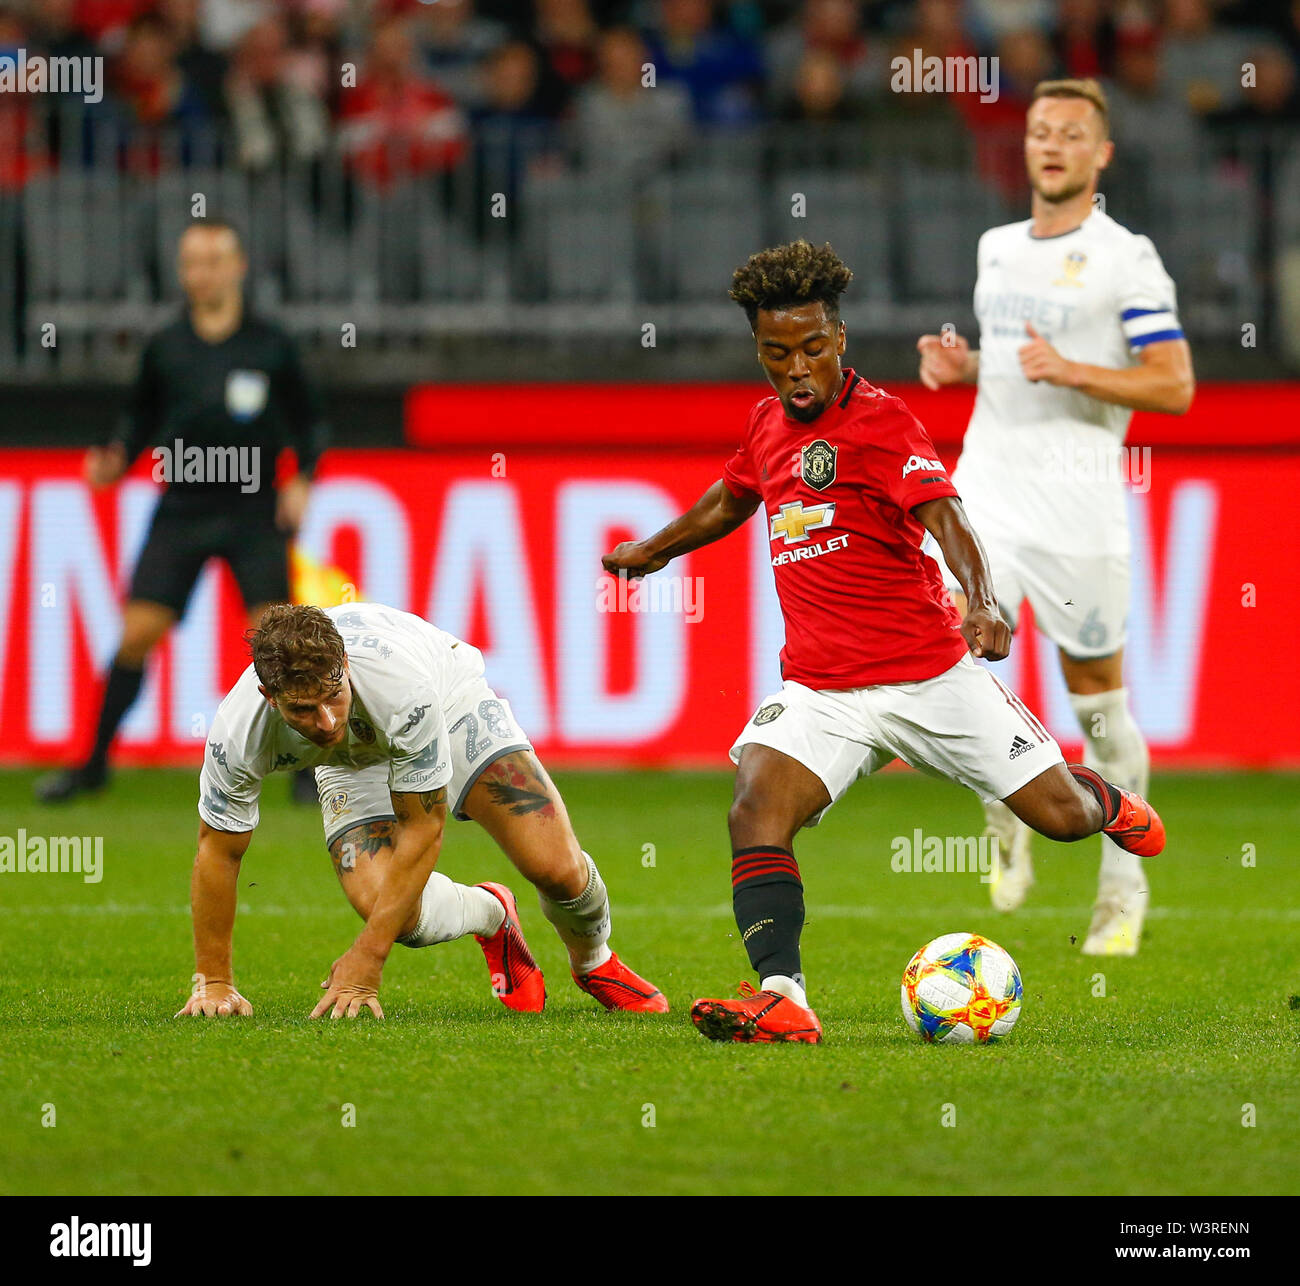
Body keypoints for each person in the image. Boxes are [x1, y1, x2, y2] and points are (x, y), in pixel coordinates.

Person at [603, 239, 1165, 1045]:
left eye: (811, 349)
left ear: (840, 339)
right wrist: (653, 551)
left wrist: (982, 599)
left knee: (1061, 819)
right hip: (822, 690)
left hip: (929, 677)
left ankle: (1102, 796)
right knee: (754, 811)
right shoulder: (767, 425)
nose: (796, 370)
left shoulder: (879, 421)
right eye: (775, 354)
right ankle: (784, 997)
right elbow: (732, 499)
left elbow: (948, 516)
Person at [916, 79, 1194, 955]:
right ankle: (1004, 808)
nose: (1052, 145)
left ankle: (1123, 885)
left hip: (1079, 514)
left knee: (1101, 713)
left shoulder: (1127, 258)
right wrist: (965, 370)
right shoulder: (997, 247)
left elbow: (1174, 385)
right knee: (959, 666)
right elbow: (1013, 365)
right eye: (1040, 131)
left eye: (1072, 133)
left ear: (1100, 154)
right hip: (987, 495)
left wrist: (1072, 369)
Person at [174, 601, 668, 1020]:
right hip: (348, 763)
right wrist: (214, 982)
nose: (325, 721)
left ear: (344, 663)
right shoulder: (238, 732)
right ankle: (494, 913)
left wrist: (369, 956)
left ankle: (594, 961)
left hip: (449, 704)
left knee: (555, 868)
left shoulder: (400, 689)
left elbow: (423, 826)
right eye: (302, 710)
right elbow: (219, 852)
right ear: (269, 696)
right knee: (391, 910)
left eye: (332, 696)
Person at [35, 218, 328, 805]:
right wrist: (117, 455)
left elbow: (311, 420)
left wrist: (303, 478)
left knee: (280, 643)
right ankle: (93, 764)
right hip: (184, 504)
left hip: (252, 507)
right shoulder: (166, 343)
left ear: (238, 265)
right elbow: (137, 416)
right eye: (191, 262)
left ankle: (307, 771)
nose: (200, 273)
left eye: (212, 260)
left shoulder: (270, 342)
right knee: (138, 632)